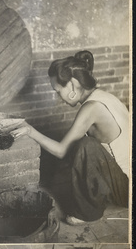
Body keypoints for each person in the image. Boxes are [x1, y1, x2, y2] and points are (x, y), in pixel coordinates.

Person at [11, 50, 129, 225]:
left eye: (58, 91)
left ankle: (87, 213)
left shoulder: (92, 108)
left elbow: (61, 151)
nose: (59, 98)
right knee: (81, 145)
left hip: (127, 192)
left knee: (85, 145)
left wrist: (30, 130)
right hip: (125, 177)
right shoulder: (105, 97)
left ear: (73, 85)